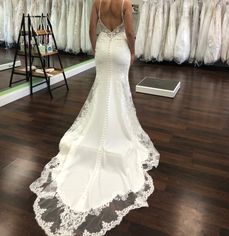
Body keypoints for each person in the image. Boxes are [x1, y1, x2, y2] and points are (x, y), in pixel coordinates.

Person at [30, 0, 159, 235]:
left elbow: (91, 29)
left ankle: (96, 129)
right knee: (118, 91)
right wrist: (132, 50)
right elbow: (130, 31)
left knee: (102, 90)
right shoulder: (125, 3)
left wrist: (94, 46)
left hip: (102, 47)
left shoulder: (98, 2)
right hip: (119, 48)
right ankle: (116, 133)